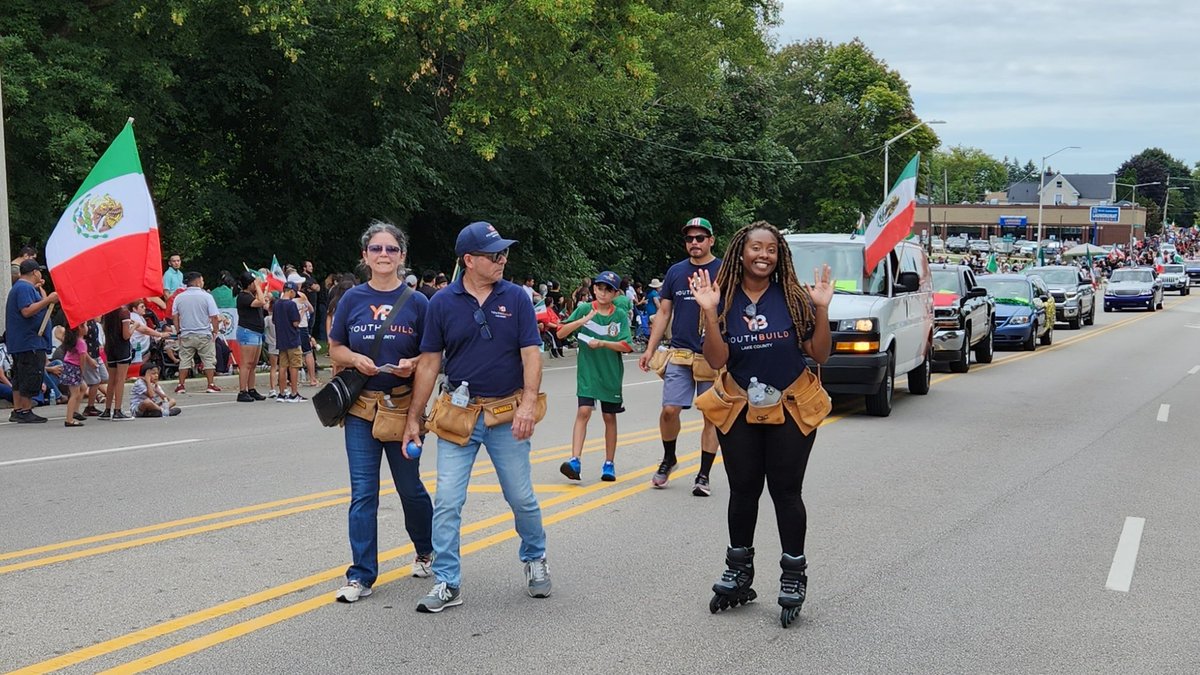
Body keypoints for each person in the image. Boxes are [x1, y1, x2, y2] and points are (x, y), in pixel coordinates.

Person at [691, 220, 832, 628]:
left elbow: (819, 354)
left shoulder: (793, 299)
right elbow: (717, 361)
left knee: (787, 492)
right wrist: (711, 313)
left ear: (779, 255)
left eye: (771, 249)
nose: (763, 255)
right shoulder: (724, 297)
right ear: (741, 251)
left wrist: (821, 307)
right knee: (743, 490)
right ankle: (739, 570)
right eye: (756, 247)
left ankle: (793, 573)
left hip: (790, 407)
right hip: (739, 408)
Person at [403, 220, 550, 612]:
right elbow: (431, 362)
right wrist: (414, 418)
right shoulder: (441, 303)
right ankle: (447, 582)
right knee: (448, 500)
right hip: (458, 414)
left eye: (504, 253)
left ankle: (535, 557)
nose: (502, 259)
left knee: (521, 497)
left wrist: (529, 404)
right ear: (468, 260)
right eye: (493, 254)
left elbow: (531, 353)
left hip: (506, 412)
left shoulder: (517, 297)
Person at [327, 220, 435, 603]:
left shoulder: (419, 302)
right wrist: (355, 357)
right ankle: (361, 576)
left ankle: (425, 549)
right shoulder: (352, 299)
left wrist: (413, 362)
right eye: (377, 249)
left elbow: (433, 355)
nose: (384, 255)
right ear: (365, 256)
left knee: (410, 489)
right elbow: (335, 347)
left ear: (402, 256)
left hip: (404, 408)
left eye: (391, 249)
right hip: (361, 408)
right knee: (363, 494)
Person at [637, 217, 723, 496]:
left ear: (711, 240)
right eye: (690, 238)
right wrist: (650, 349)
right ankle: (669, 458)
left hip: (711, 356)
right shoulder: (676, 272)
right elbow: (664, 313)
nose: (694, 243)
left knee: (711, 415)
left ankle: (703, 475)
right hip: (680, 352)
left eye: (700, 238)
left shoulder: (723, 270)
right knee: (669, 410)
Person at [556, 271, 634, 482]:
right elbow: (561, 334)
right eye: (600, 287)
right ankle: (575, 460)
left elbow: (627, 346)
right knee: (584, 411)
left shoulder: (618, 315)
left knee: (609, 417)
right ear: (593, 289)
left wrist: (602, 343)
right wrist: (583, 320)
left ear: (615, 293)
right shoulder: (583, 309)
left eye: (608, 289)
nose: (603, 292)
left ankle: (609, 463)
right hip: (588, 373)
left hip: (610, 373)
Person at [5, 259, 59, 423]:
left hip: (23, 341)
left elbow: (38, 304)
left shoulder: (26, 288)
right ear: (35, 272)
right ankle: (25, 410)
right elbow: (27, 311)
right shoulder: (23, 288)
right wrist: (48, 300)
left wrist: (42, 292)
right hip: (29, 341)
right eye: (39, 271)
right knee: (29, 374)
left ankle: (18, 409)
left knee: (20, 376)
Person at [172, 272, 221, 394]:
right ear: (198, 281)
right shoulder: (206, 296)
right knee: (208, 359)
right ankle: (210, 384)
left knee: (185, 359)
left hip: (186, 333)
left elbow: (175, 316)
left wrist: (178, 331)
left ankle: (181, 384)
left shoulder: (179, 297)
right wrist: (215, 330)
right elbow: (214, 316)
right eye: (202, 280)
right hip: (203, 333)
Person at [235, 271, 270, 402]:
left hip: (257, 332)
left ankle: (251, 388)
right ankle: (242, 390)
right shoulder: (244, 296)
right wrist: (259, 286)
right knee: (246, 363)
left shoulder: (251, 295)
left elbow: (264, 301)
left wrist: (261, 289)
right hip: (247, 331)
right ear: (249, 284)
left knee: (254, 363)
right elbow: (261, 302)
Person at [99, 303, 135, 420]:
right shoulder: (124, 312)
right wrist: (134, 326)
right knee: (120, 379)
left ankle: (107, 409)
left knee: (112, 380)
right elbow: (126, 335)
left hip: (110, 346)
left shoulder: (107, 312)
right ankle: (118, 410)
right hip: (122, 348)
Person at [60, 322, 97, 427]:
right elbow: (82, 360)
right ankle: (69, 419)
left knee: (83, 387)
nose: (87, 328)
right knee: (74, 394)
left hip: (68, 366)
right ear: (79, 328)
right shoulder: (81, 343)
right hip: (74, 368)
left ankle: (75, 411)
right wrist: (81, 372)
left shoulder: (73, 340)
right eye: (85, 325)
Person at [273, 283, 305, 402]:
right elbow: (296, 323)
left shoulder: (276, 304)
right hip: (292, 339)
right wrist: (301, 313)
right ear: (291, 291)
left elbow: (274, 321)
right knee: (294, 366)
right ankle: (294, 393)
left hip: (281, 339)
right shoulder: (291, 305)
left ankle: (281, 393)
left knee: (282, 366)